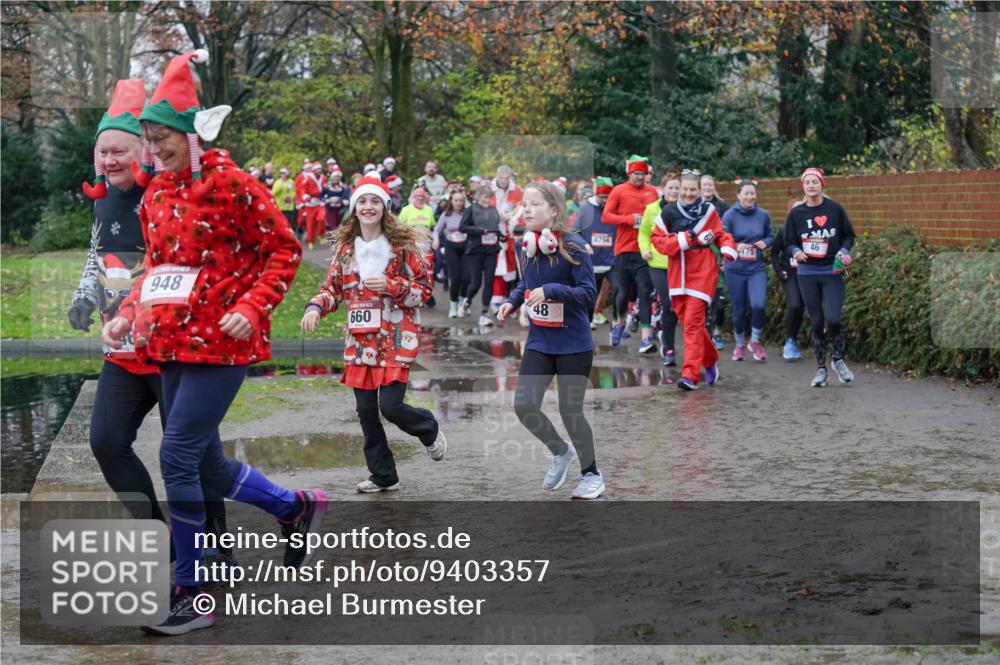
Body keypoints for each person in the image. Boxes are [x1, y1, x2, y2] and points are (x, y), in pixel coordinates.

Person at [103, 50, 326, 636]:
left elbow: (284, 250)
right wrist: (129, 312)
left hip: (224, 345)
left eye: (163, 138)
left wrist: (252, 308)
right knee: (205, 464)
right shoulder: (156, 195)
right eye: (148, 139)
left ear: (190, 133)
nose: (155, 149)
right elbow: (156, 265)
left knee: (175, 455)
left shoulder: (234, 184)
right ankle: (294, 507)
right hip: (171, 342)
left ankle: (195, 591)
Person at [73, 78, 232, 575]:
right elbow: (98, 257)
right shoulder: (103, 201)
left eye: (119, 150)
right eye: (102, 153)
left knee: (195, 456)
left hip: (173, 350)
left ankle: (215, 550)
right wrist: (85, 296)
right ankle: (162, 541)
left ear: (143, 150)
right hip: (122, 351)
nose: (108, 161)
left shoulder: (165, 195)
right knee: (106, 441)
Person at [301, 173, 446, 493]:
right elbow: (331, 291)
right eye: (362, 201)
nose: (368, 207)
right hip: (361, 342)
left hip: (395, 339)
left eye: (374, 201)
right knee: (366, 411)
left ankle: (428, 428)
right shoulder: (346, 252)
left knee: (391, 407)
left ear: (385, 207)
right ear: (354, 209)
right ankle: (383, 475)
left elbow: (424, 291)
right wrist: (314, 307)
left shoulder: (401, 248)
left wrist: (392, 286)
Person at [496, 181, 602, 499]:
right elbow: (526, 284)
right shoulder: (524, 245)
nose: (525, 209)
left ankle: (592, 475)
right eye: (523, 204)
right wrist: (512, 300)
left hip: (574, 343)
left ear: (553, 210)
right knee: (525, 405)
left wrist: (552, 291)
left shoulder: (575, 247)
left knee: (571, 412)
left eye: (533, 204)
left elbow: (588, 295)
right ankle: (560, 451)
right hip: (540, 341)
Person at [651, 169, 737, 390]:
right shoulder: (668, 212)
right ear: (679, 189)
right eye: (685, 189)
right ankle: (710, 359)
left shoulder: (709, 211)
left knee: (692, 322)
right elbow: (658, 241)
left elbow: (721, 234)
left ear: (700, 190)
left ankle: (690, 374)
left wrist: (727, 249)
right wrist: (686, 239)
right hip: (677, 272)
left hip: (702, 269)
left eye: (693, 190)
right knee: (687, 321)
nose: (689, 194)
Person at [784, 167, 856, 387]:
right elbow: (788, 241)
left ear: (822, 184)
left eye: (815, 182)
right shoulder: (797, 213)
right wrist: (795, 251)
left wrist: (844, 252)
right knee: (816, 322)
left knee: (833, 319)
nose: (812, 186)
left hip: (831, 270)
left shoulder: (835, 209)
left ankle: (838, 358)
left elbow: (848, 236)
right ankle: (821, 369)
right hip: (807, 273)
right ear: (803, 187)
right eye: (808, 182)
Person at [602, 155, 659, 352]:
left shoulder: (653, 192)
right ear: (629, 173)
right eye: (636, 174)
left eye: (643, 174)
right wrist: (628, 219)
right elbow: (606, 216)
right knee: (622, 292)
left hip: (645, 252)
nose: (640, 178)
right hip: (624, 250)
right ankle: (618, 323)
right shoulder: (619, 191)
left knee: (645, 293)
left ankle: (646, 337)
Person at [722, 179, 773, 362]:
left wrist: (765, 243)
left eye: (753, 193)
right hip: (735, 269)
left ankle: (755, 341)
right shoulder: (729, 215)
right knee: (739, 310)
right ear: (738, 195)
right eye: (747, 193)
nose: (750, 197)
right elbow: (722, 239)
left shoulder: (763, 215)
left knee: (759, 305)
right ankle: (739, 345)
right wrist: (736, 245)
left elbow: (770, 236)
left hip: (756, 268)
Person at [639, 174, 681, 366]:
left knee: (678, 308)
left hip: (680, 263)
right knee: (669, 303)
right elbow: (644, 233)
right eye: (670, 188)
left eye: (676, 188)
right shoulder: (651, 209)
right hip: (658, 263)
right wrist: (645, 249)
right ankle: (669, 347)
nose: (674, 191)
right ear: (663, 189)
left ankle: (673, 342)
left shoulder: (686, 210)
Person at [573, 177, 616, 331]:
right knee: (591, 294)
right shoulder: (585, 209)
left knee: (619, 289)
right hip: (592, 261)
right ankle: (586, 322)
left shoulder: (614, 208)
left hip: (611, 260)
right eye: (602, 197)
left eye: (607, 197)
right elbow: (574, 232)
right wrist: (584, 244)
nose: (605, 200)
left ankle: (618, 323)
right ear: (596, 195)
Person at [459, 185, 504, 325]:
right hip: (475, 250)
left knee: (489, 281)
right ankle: (467, 301)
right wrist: (479, 231)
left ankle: (484, 314)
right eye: (485, 197)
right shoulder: (471, 209)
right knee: (476, 283)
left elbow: (494, 229)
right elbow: (463, 227)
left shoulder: (493, 210)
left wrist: (501, 236)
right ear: (478, 197)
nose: (487, 200)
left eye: (490, 197)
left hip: (491, 250)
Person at [701, 174, 730, 349]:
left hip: (718, 259)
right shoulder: (693, 207)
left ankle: (718, 332)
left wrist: (725, 255)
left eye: (710, 185)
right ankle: (705, 334)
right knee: (703, 302)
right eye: (704, 185)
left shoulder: (723, 207)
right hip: (700, 260)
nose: (707, 188)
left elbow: (727, 234)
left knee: (719, 303)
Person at [433, 190, 470, 317]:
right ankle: (453, 306)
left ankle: (462, 302)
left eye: (461, 200)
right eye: (456, 200)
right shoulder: (446, 214)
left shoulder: (468, 213)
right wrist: (436, 239)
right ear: (452, 202)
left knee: (466, 279)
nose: (459, 203)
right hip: (451, 248)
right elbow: (436, 230)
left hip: (465, 248)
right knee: (455, 279)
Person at [771, 223, 804, 360]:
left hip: (808, 275)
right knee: (795, 304)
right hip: (789, 275)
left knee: (802, 308)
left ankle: (798, 340)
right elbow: (774, 253)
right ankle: (789, 341)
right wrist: (779, 271)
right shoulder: (784, 230)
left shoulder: (812, 231)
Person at [322, 165, 350, 232]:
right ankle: (332, 241)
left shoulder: (344, 186)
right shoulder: (327, 186)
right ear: (332, 177)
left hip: (340, 210)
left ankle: (339, 241)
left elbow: (346, 196)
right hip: (330, 209)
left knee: (339, 226)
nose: (336, 178)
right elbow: (321, 196)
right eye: (335, 177)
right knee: (332, 226)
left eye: (338, 177)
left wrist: (342, 200)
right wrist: (325, 200)